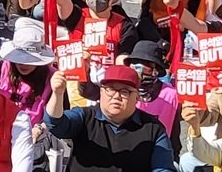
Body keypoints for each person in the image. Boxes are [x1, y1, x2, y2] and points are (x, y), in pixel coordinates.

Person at [44, 64, 175, 172]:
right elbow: (55, 124)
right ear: (101, 92)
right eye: (110, 89)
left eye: (125, 91)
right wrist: (57, 94)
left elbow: (163, 168)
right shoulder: (84, 117)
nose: (116, 96)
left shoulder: (154, 129)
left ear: (136, 97)